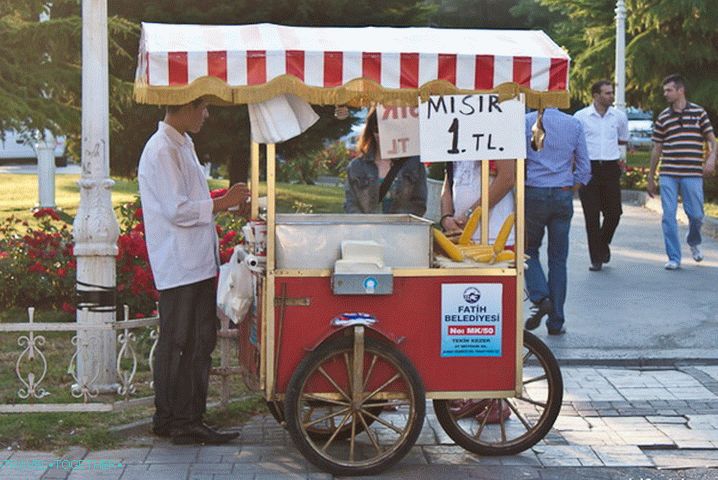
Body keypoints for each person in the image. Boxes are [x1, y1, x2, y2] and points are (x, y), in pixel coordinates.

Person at [138, 97, 249, 445]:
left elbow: (188, 200)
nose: (206, 114)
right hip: (180, 265)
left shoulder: (182, 143)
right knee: (186, 342)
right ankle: (181, 419)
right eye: (202, 107)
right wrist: (222, 203)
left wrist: (223, 203)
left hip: (195, 262)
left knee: (192, 341)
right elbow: (178, 210)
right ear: (185, 106)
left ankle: (174, 416)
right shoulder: (162, 150)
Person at [523, 108, 591, 335]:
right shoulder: (574, 124)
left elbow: (518, 162)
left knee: (528, 250)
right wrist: (571, 186)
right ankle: (556, 321)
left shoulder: (525, 122)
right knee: (558, 259)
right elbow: (584, 168)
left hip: (533, 193)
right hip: (562, 194)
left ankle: (540, 296)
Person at [648, 74, 716, 270]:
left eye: (669, 90)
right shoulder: (663, 117)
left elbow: (712, 140)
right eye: (664, 91)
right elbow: (657, 149)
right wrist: (651, 177)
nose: (665, 94)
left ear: (680, 90)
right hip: (669, 173)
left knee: (696, 215)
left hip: (692, 173)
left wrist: (711, 158)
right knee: (668, 216)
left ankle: (693, 241)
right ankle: (674, 257)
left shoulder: (698, 113)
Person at [574, 80, 629, 272]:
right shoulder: (581, 117)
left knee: (614, 213)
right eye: (607, 93)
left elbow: (623, 139)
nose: (611, 96)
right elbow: (575, 144)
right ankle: (596, 258)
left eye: (612, 93)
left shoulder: (619, 117)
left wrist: (621, 160)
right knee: (591, 215)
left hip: (610, 167)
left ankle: (602, 244)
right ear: (596, 96)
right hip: (588, 168)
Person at [344, 106, 427, 216]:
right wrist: (366, 225)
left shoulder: (414, 163)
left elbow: (419, 204)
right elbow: (350, 204)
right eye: (377, 129)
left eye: (389, 128)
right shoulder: (356, 166)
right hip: (366, 231)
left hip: (403, 230)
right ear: (371, 131)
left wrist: (395, 225)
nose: (382, 135)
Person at [439, 160, 515, 245]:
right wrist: (446, 218)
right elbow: (448, 181)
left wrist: (470, 214)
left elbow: (507, 178)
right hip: (458, 236)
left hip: (494, 237)